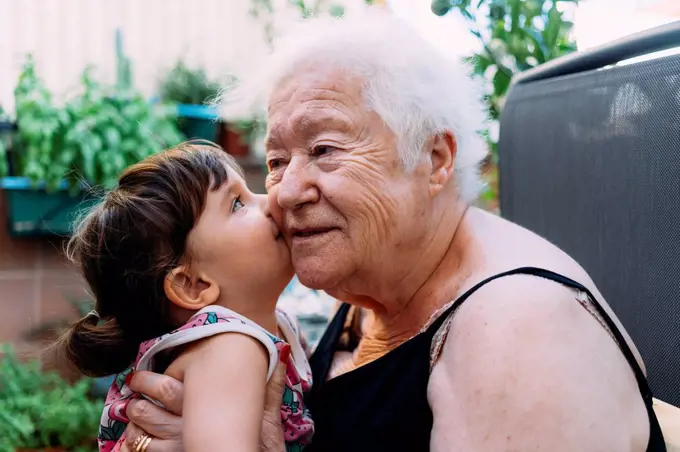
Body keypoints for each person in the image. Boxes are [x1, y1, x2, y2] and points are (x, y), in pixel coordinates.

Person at [121, 11, 667, 452]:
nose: (284, 192)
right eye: (278, 159)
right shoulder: (375, 280)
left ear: (434, 159)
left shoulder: (518, 333)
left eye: (324, 150)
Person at [58, 143, 313, 452]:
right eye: (236, 204)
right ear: (192, 285)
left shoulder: (280, 326)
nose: (272, 201)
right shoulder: (230, 347)